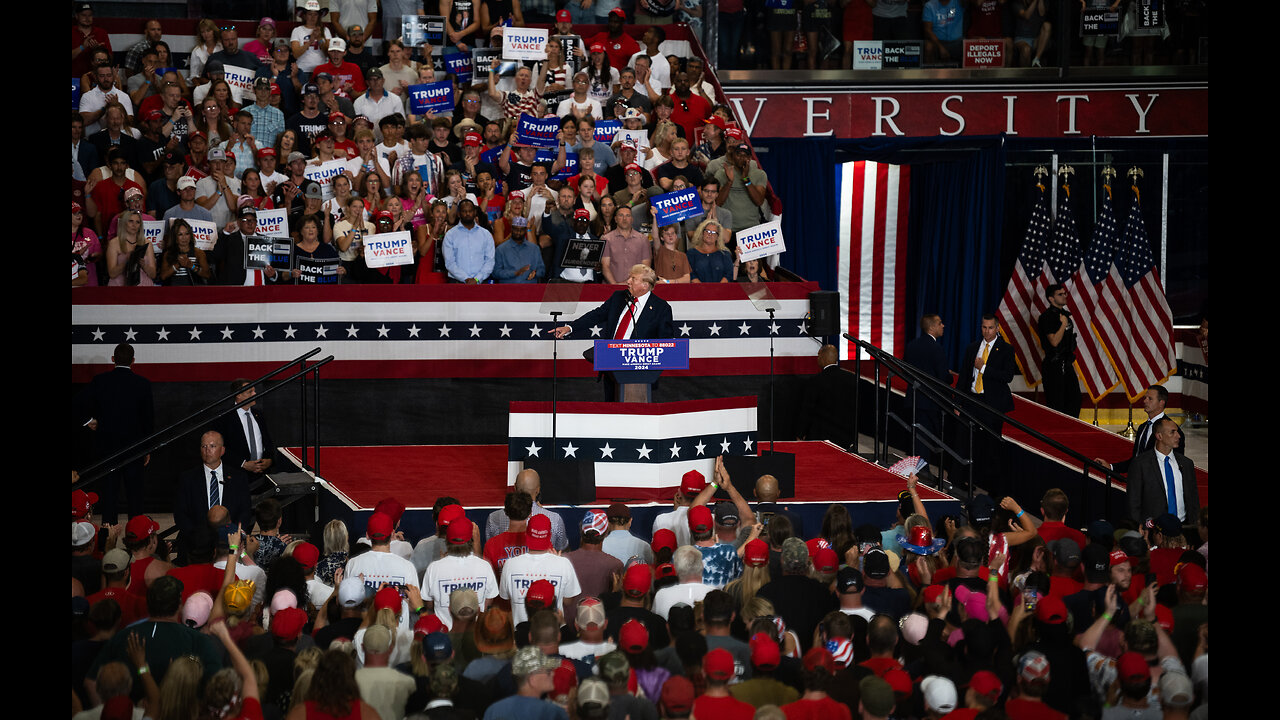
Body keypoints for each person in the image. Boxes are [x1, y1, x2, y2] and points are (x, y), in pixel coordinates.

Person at [552, 264, 676, 399]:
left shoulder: (661, 308)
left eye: (633, 279)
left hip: (640, 374)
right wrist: (570, 328)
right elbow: (596, 315)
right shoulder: (619, 297)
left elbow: (666, 343)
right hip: (612, 369)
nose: (628, 281)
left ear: (645, 285)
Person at [79, 342, 154, 525]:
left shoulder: (100, 381)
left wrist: (89, 421)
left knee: (109, 498)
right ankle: (138, 539)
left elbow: (77, 404)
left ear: (113, 359)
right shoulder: (142, 384)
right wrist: (146, 449)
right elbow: (148, 419)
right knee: (135, 498)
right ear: (133, 361)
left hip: (107, 450)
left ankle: (107, 541)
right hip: (134, 450)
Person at [174, 431, 253, 550]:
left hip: (230, 543)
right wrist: (197, 538)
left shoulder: (238, 477)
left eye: (212, 446)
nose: (207, 450)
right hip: (197, 545)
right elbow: (181, 514)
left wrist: (234, 535)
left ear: (222, 450)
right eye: (203, 446)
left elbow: (245, 510)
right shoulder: (187, 478)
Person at [1096, 384, 1186, 474]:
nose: (1145, 401)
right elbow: (1136, 460)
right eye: (1145, 398)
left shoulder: (1173, 431)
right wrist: (1111, 467)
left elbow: (1176, 465)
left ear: (1161, 403)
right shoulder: (1142, 427)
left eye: (1150, 399)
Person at [1126, 417, 1199, 526]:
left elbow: (1193, 500)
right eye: (1172, 432)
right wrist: (1141, 526)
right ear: (1159, 436)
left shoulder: (1187, 463)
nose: (1178, 436)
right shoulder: (1141, 464)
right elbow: (1133, 502)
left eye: (1177, 432)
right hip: (1154, 530)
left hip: (1184, 528)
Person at [902, 314, 950, 457]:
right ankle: (923, 470)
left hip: (914, 398)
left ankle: (917, 468)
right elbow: (942, 377)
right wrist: (950, 377)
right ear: (931, 327)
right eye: (940, 323)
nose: (943, 326)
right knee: (925, 437)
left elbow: (906, 371)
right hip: (930, 401)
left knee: (917, 435)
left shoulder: (911, 345)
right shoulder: (936, 348)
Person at [798, 344, 858, 449]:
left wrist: (800, 433)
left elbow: (807, 410)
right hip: (845, 438)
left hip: (820, 437)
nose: (817, 359)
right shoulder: (852, 379)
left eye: (818, 356)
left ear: (823, 357)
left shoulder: (816, 381)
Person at [1037, 283, 1081, 417]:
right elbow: (1054, 342)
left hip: (1067, 363)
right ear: (1051, 298)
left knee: (1075, 400)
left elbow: (1069, 343)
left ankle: (1071, 435)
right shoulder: (1047, 317)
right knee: (1057, 404)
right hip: (1054, 365)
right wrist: (1062, 324)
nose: (1064, 296)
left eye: (1065, 293)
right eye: (1060, 294)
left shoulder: (1066, 315)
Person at [443, 199, 495, 283]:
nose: (467, 214)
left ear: (474, 212)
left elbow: (489, 261)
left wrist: (477, 279)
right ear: (459, 214)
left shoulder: (486, 234)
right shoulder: (450, 235)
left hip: (481, 282)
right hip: (457, 282)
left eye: (470, 211)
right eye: (464, 211)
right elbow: (450, 263)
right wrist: (466, 279)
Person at [598, 206, 651, 284]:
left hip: (636, 287)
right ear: (615, 219)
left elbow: (646, 267)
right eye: (621, 215)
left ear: (632, 219)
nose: (624, 219)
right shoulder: (606, 239)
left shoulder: (643, 239)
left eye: (628, 215)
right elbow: (605, 266)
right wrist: (615, 286)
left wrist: (632, 284)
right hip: (611, 288)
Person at [494, 216, 545, 283]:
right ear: (511, 229)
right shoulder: (501, 250)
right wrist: (515, 273)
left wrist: (535, 273)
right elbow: (495, 273)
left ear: (525, 230)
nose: (518, 232)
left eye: (521, 230)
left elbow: (542, 270)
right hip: (508, 290)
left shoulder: (534, 249)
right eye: (516, 229)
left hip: (530, 290)